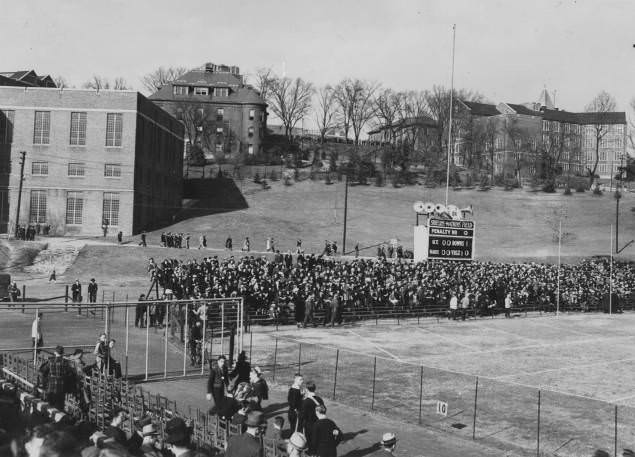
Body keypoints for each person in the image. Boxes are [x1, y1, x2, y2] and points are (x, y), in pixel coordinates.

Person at [38, 345, 74, 410]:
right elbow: (70, 373)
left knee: (50, 406)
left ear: (55, 352)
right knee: (60, 406)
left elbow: (42, 371)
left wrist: (44, 381)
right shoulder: (65, 362)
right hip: (61, 387)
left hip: (51, 386)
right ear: (63, 353)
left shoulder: (50, 361)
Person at [299, 381, 324, 448]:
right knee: (317, 440)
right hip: (318, 423)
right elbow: (323, 410)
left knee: (309, 441)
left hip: (309, 425)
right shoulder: (319, 399)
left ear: (306, 390)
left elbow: (302, 416)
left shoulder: (306, 401)